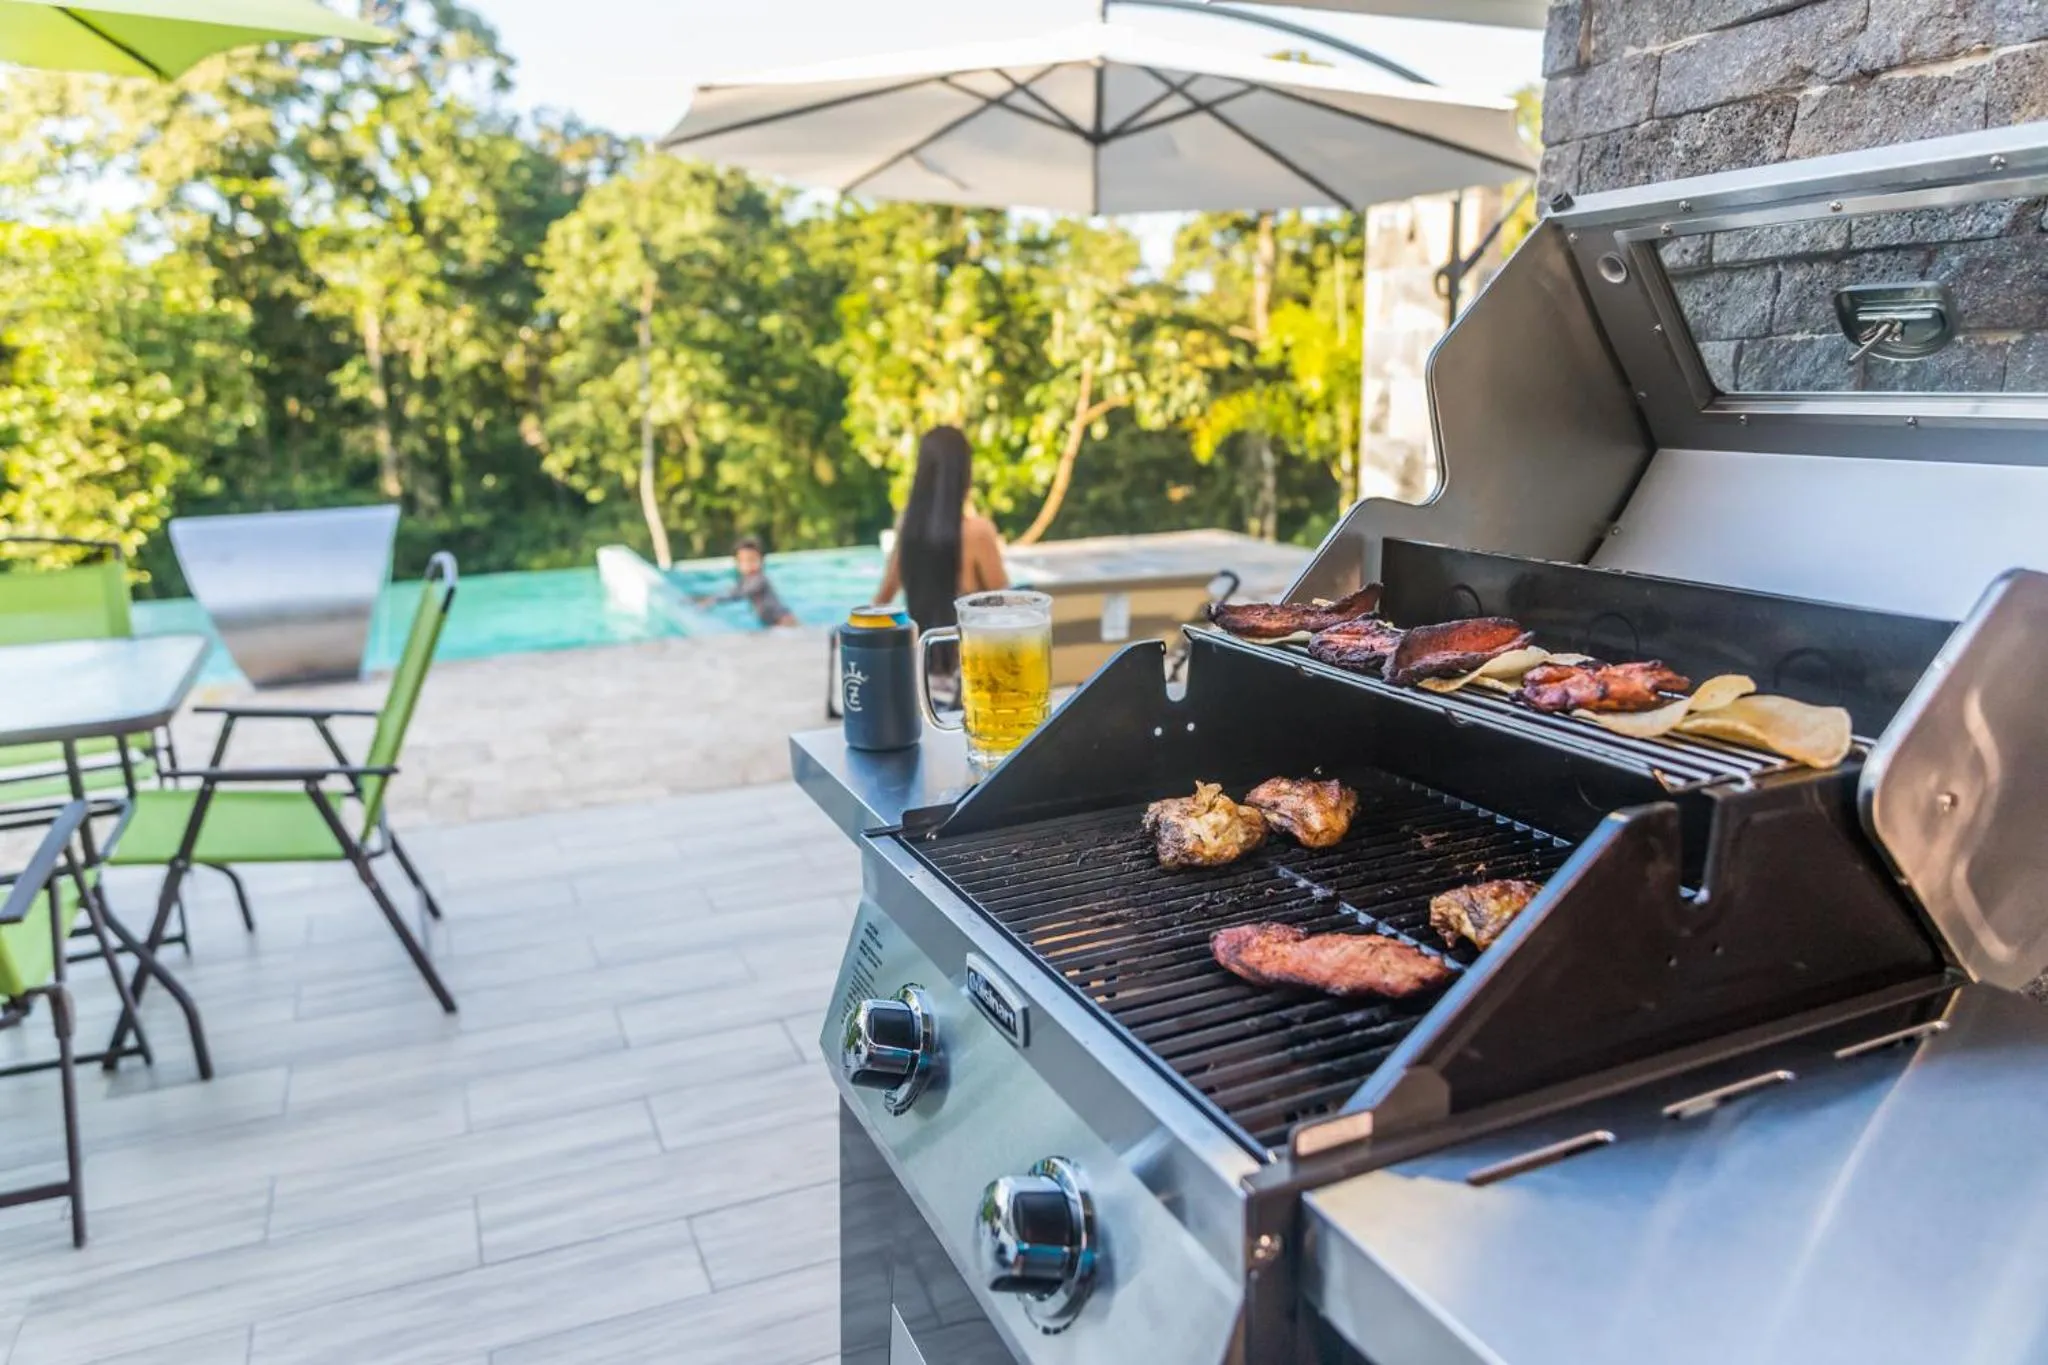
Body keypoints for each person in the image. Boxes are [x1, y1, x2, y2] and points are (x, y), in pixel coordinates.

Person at [875, 425, 1009, 638]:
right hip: (970, 662)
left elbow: (881, 602)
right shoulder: (978, 532)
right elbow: (1007, 610)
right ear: (964, 472)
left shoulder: (908, 527)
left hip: (922, 658)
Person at [697, 535, 797, 628]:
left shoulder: (760, 579)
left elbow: (740, 593)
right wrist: (708, 598)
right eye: (743, 561)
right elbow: (731, 591)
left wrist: (715, 600)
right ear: (738, 564)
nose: (748, 565)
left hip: (784, 621)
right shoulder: (744, 581)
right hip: (773, 623)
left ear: (761, 561)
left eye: (752, 560)